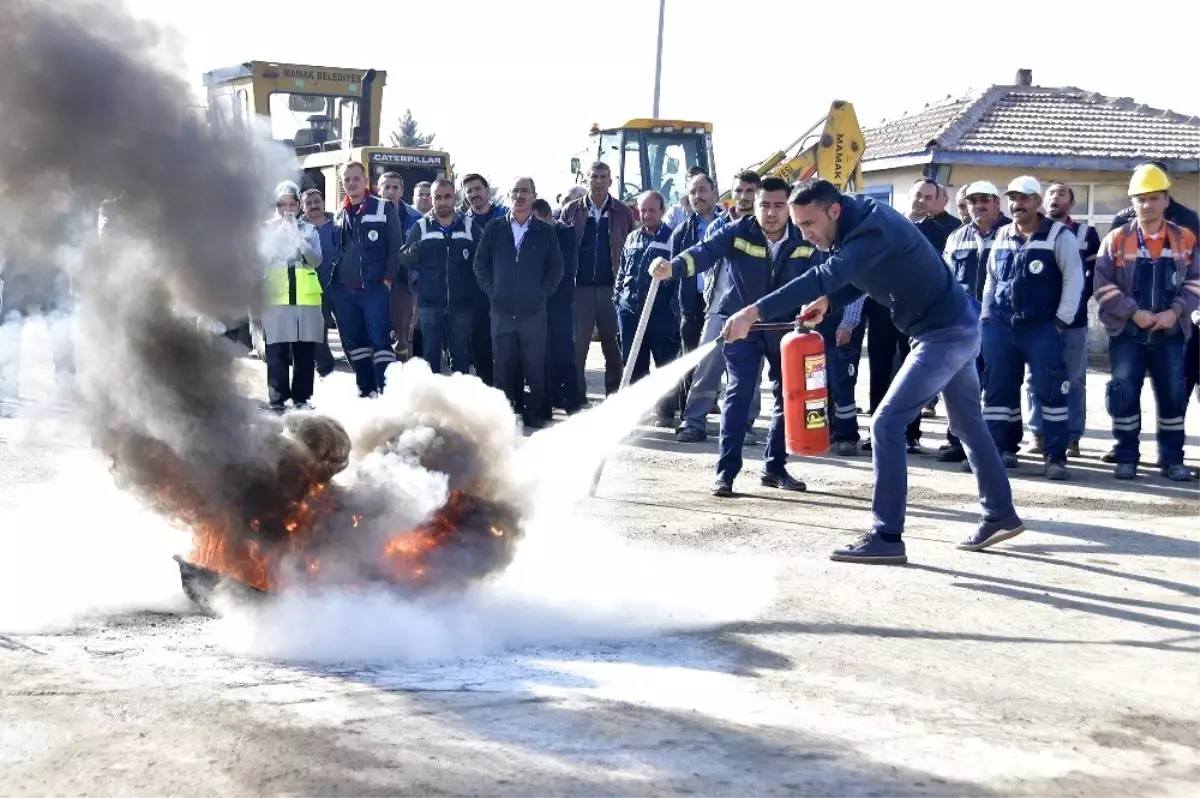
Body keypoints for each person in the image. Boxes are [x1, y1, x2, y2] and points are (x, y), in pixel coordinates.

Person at [718, 179, 1024, 564]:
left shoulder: (869, 228)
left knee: (886, 424)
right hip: (954, 326)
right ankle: (1000, 513)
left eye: (809, 224)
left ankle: (887, 536)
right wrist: (829, 302)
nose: (805, 234)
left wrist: (754, 311)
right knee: (967, 424)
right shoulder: (857, 224)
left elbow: (826, 274)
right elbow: (857, 276)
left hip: (944, 334)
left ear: (833, 211)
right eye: (799, 227)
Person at [649, 176, 811, 497]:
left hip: (784, 329)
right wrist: (673, 267)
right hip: (741, 327)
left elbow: (825, 274)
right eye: (765, 205)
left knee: (788, 397)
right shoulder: (739, 232)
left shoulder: (804, 237)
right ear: (756, 205)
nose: (771, 213)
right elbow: (704, 252)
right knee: (738, 395)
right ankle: (725, 473)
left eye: (779, 206)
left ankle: (774, 467)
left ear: (790, 207)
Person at [1094, 164, 1200, 481]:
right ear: (1133, 202)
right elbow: (1101, 284)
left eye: (1154, 198)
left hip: (1170, 334)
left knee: (1172, 397)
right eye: (1141, 199)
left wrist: (1175, 311)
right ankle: (1126, 457)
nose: (1147, 205)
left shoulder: (1185, 238)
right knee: (1124, 395)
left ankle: (1172, 460)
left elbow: (1196, 282)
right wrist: (1132, 312)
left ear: (1166, 200)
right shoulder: (1115, 238)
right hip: (1128, 333)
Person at [979, 176, 1083, 480]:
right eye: (1012, 198)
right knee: (998, 390)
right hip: (1000, 326)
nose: (1017, 204)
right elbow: (991, 280)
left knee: (1050, 390)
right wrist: (986, 316)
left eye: (1024, 198)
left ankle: (1055, 456)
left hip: (1041, 327)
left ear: (1037, 202)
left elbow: (1073, 280)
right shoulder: (1002, 235)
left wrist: (1060, 321)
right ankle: (1002, 449)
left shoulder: (1058, 235)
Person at [674, 170, 763, 445]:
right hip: (718, 308)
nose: (744, 197)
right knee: (707, 366)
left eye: (750, 191)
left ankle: (743, 424)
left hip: (751, 313)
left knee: (749, 371)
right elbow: (705, 258)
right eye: (739, 191)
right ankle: (694, 421)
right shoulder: (718, 226)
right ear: (731, 193)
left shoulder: (765, 228)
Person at [473, 177, 564, 428]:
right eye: (515, 191)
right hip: (501, 312)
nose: (520, 195)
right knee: (503, 367)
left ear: (534, 196)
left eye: (525, 191)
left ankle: (534, 415)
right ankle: (505, 418)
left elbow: (556, 268)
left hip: (533, 313)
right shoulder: (494, 228)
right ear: (509, 196)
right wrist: (493, 292)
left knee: (534, 367)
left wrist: (541, 294)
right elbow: (480, 265)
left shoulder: (545, 232)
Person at [937, 181, 1010, 463]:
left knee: (996, 386)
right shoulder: (956, 237)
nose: (978, 205)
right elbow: (946, 278)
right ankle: (957, 443)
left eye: (985, 199)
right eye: (972, 201)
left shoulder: (1009, 233)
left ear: (996, 202)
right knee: (960, 387)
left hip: (997, 322)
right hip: (963, 323)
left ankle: (996, 446)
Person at [1026, 182, 1100, 458]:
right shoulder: (1032, 230)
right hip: (1038, 323)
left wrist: (1071, 307)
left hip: (1074, 322)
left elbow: (1094, 277)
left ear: (1071, 203)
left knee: (1074, 380)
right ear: (1043, 202)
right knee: (1035, 378)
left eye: (1062, 193)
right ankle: (1039, 435)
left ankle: (1071, 437)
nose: (1055, 197)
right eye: (1051, 193)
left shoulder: (1086, 234)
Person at [325, 162, 404, 398]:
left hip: (375, 289)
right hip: (344, 292)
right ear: (342, 184)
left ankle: (386, 392)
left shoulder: (383, 208)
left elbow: (396, 248)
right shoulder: (339, 214)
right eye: (346, 180)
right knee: (355, 343)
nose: (351, 183)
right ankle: (365, 390)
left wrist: (388, 280)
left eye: (356, 178)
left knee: (380, 341)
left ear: (365, 180)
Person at [562, 161, 635, 403]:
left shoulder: (623, 212)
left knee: (614, 350)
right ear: (586, 180)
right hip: (579, 289)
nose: (599, 181)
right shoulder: (571, 211)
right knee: (577, 349)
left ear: (611, 181)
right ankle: (576, 397)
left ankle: (613, 398)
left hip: (612, 290)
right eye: (594, 176)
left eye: (604, 176)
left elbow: (630, 251)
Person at [399, 178, 479, 375]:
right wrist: (420, 246)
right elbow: (404, 257)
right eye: (437, 197)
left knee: (460, 356)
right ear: (431, 199)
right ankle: (432, 402)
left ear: (455, 198)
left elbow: (484, 259)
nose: (442, 202)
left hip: (461, 304)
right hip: (429, 304)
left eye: (447, 197)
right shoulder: (421, 226)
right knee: (431, 357)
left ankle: (459, 402)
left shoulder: (470, 226)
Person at [615, 190, 679, 425]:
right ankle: (637, 414)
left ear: (662, 211)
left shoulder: (673, 238)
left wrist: (672, 308)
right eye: (643, 210)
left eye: (652, 210)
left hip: (661, 313)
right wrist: (618, 301)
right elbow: (622, 271)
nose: (646, 214)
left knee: (664, 363)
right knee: (633, 364)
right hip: (630, 312)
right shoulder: (632, 238)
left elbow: (678, 276)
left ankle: (665, 413)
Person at [260, 181, 324, 412]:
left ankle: (301, 398)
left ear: (298, 205)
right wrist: (279, 234)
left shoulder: (309, 230)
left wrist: (297, 237)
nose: (287, 209)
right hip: (276, 298)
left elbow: (316, 260)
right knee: (276, 351)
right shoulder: (266, 229)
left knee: (304, 352)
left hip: (306, 299)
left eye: (291, 204)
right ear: (275, 206)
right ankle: (277, 398)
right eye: (282, 205)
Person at [532, 198, 581, 418]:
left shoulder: (565, 234)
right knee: (540, 356)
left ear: (548, 217)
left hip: (559, 303)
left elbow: (562, 268)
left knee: (564, 354)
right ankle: (545, 405)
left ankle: (573, 404)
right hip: (536, 305)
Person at [462, 173, 508, 386]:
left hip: (504, 292)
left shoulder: (505, 217)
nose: (474, 194)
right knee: (480, 347)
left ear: (486, 190)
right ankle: (488, 393)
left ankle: (509, 393)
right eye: (469, 191)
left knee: (506, 346)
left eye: (477, 189)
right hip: (474, 295)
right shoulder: (462, 221)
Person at [377, 171, 423, 362]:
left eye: (395, 187)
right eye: (386, 187)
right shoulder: (370, 213)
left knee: (402, 336)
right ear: (378, 190)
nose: (390, 191)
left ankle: (401, 374)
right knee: (378, 332)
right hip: (377, 281)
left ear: (402, 191)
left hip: (405, 282)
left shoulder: (416, 218)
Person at [301, 189, 337, 379]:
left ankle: (358, 366)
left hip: (340, 286)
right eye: (309, 203)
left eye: (317, 201)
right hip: (313, 288)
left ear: (323, 202)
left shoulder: (338, 223)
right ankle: (325, 369)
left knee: (349, 328)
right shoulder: (300, 229)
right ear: (303, 207)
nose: (314, 206)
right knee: (318, 332)